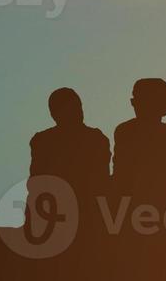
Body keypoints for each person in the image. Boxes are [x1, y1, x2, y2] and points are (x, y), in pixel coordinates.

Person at [28, 88, 110, 243]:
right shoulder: (42, 141)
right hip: (56, 213)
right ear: (55, 114)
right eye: (72, 108)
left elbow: (102, 181)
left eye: (78, 107)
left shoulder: (96, 139)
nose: (78, 112)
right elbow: (37, 181)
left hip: (87, 213)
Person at [112, 78, 166, 216]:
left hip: (161, 206)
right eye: (134, 99)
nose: (133, 103)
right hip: (134, 205)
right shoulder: (125, 131)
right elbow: (120, 170)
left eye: (138, 99)